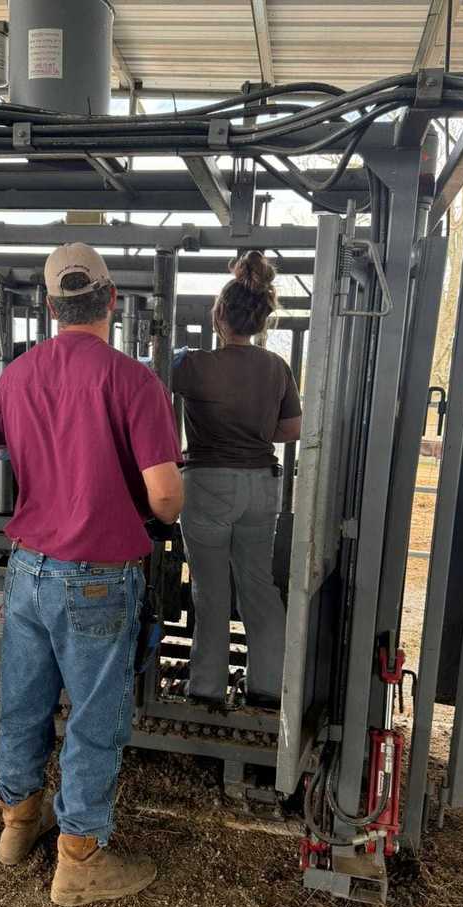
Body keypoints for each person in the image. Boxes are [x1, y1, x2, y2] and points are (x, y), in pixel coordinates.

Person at [0, 243, 183, 907]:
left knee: (23, 702)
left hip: (27, 570)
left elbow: (4, 445)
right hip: (96, 574)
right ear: (113, 300)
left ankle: (18, 825)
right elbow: (164, 497)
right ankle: (79, 855)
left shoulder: (16, 376)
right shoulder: (135, 383)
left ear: (49, 307)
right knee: (95, 718)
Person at [172, 251, 302, 711]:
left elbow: (144, 377)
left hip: (206, 482)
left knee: (210, 588)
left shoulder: (191, 365)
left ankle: (206, 688)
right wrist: (256, 427)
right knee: (258, 585)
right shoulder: (276, 367)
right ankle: (268, 686)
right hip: (259, 486)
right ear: (263, 319)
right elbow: (293, 429)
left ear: (218, 315)